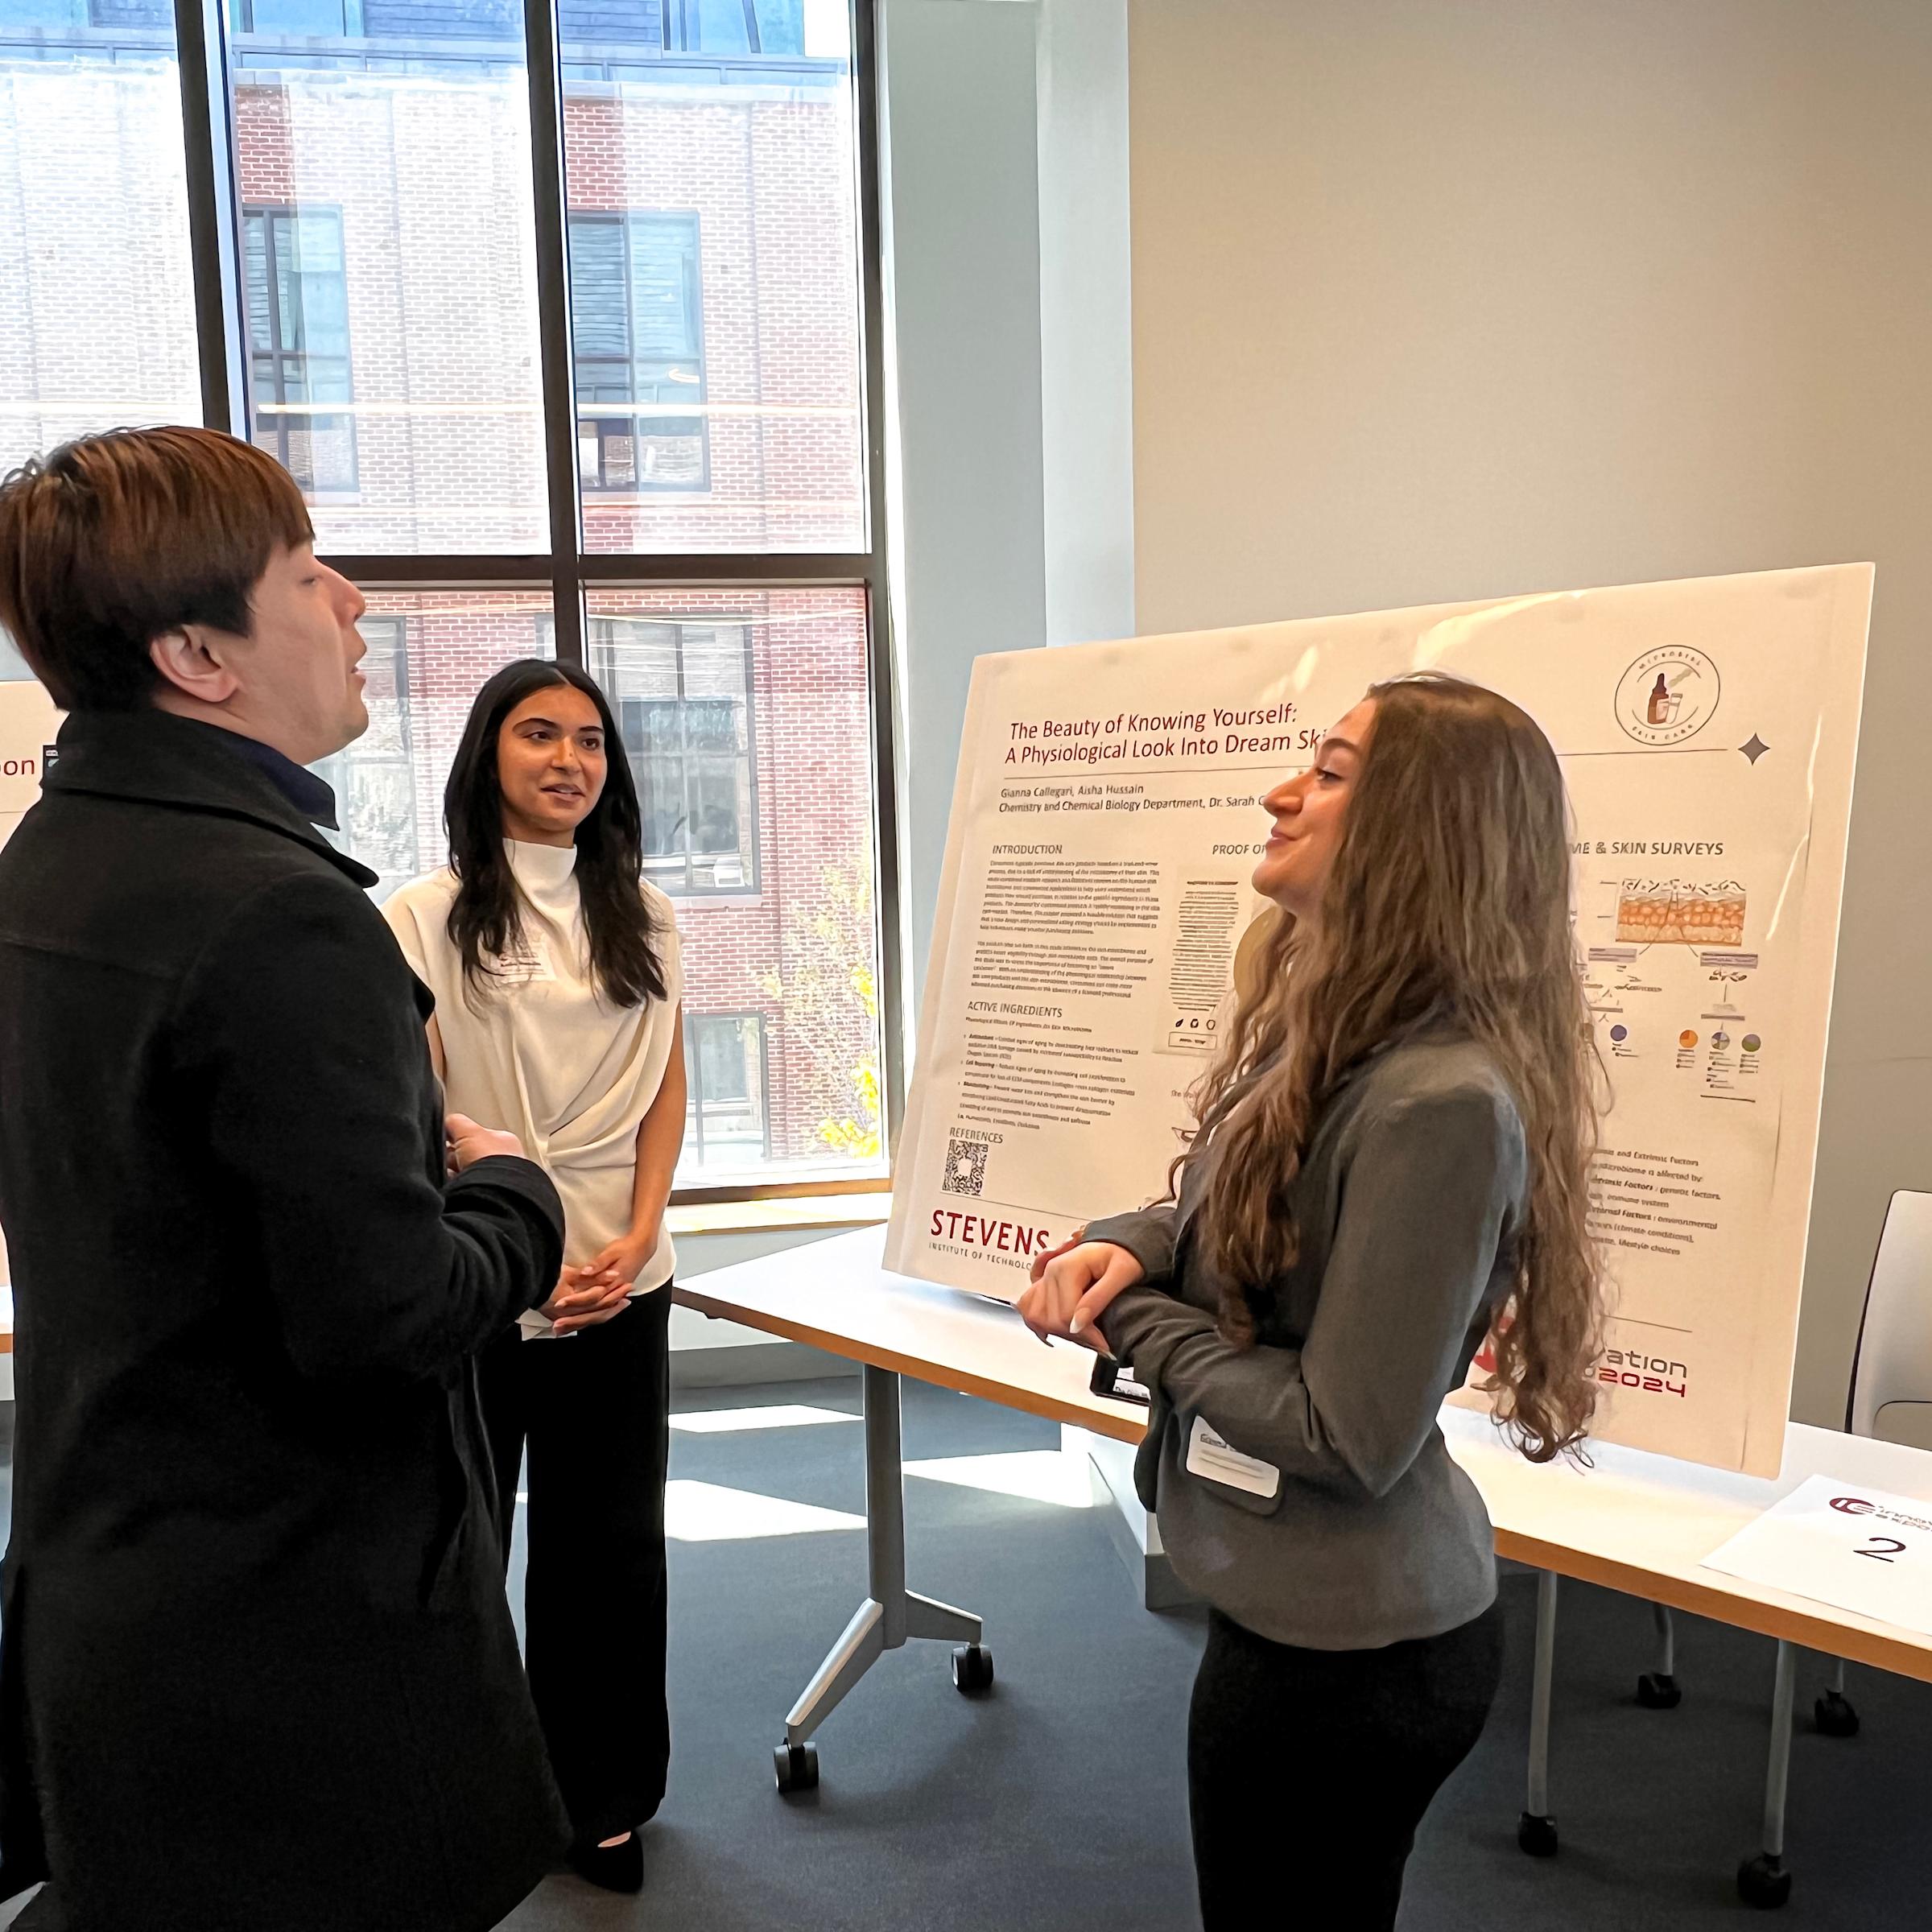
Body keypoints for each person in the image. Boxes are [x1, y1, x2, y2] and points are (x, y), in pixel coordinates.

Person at [0, 427, 594, 1930]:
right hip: (294, 1648)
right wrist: (516, 1193)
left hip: (118, 1593)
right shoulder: (281, 917)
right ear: (199, 652)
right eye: (308, 569)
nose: (353, 600)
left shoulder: (46, 866)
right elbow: (382, 1322)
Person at [1020, 673, 1605, 1932]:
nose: (1282, 794)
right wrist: (1127, 1248)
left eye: (1331, 774)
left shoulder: (1439, 1101)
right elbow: (1217, 1205)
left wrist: (1129, 1321)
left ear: (1421, 831)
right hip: (1286, 1609)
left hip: (1360, 1659)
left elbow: (1349, 1435)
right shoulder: (1339, 1027)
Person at [382, 659, 686, 1895]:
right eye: (539, 735)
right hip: (485, 1274)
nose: (570, 760)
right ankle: (462, 1793)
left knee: (609, 1549)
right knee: (463, 1540)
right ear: (486, 754)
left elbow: (666, 1086)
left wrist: (641, 1232)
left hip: (624, 1270)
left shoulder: (649, 915)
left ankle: (601, 1798)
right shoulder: (422, 914)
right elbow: (411, 1105)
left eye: (593, 743)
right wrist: (520, 1240)